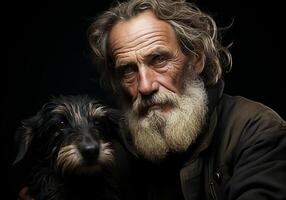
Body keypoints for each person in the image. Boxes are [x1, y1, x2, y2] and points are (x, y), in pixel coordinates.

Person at [19, 0, 286, 199]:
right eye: (128, 70)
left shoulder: (256, 130)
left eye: (159, 59)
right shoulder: (116, 148)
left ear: (196, 59)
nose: (145, 86)